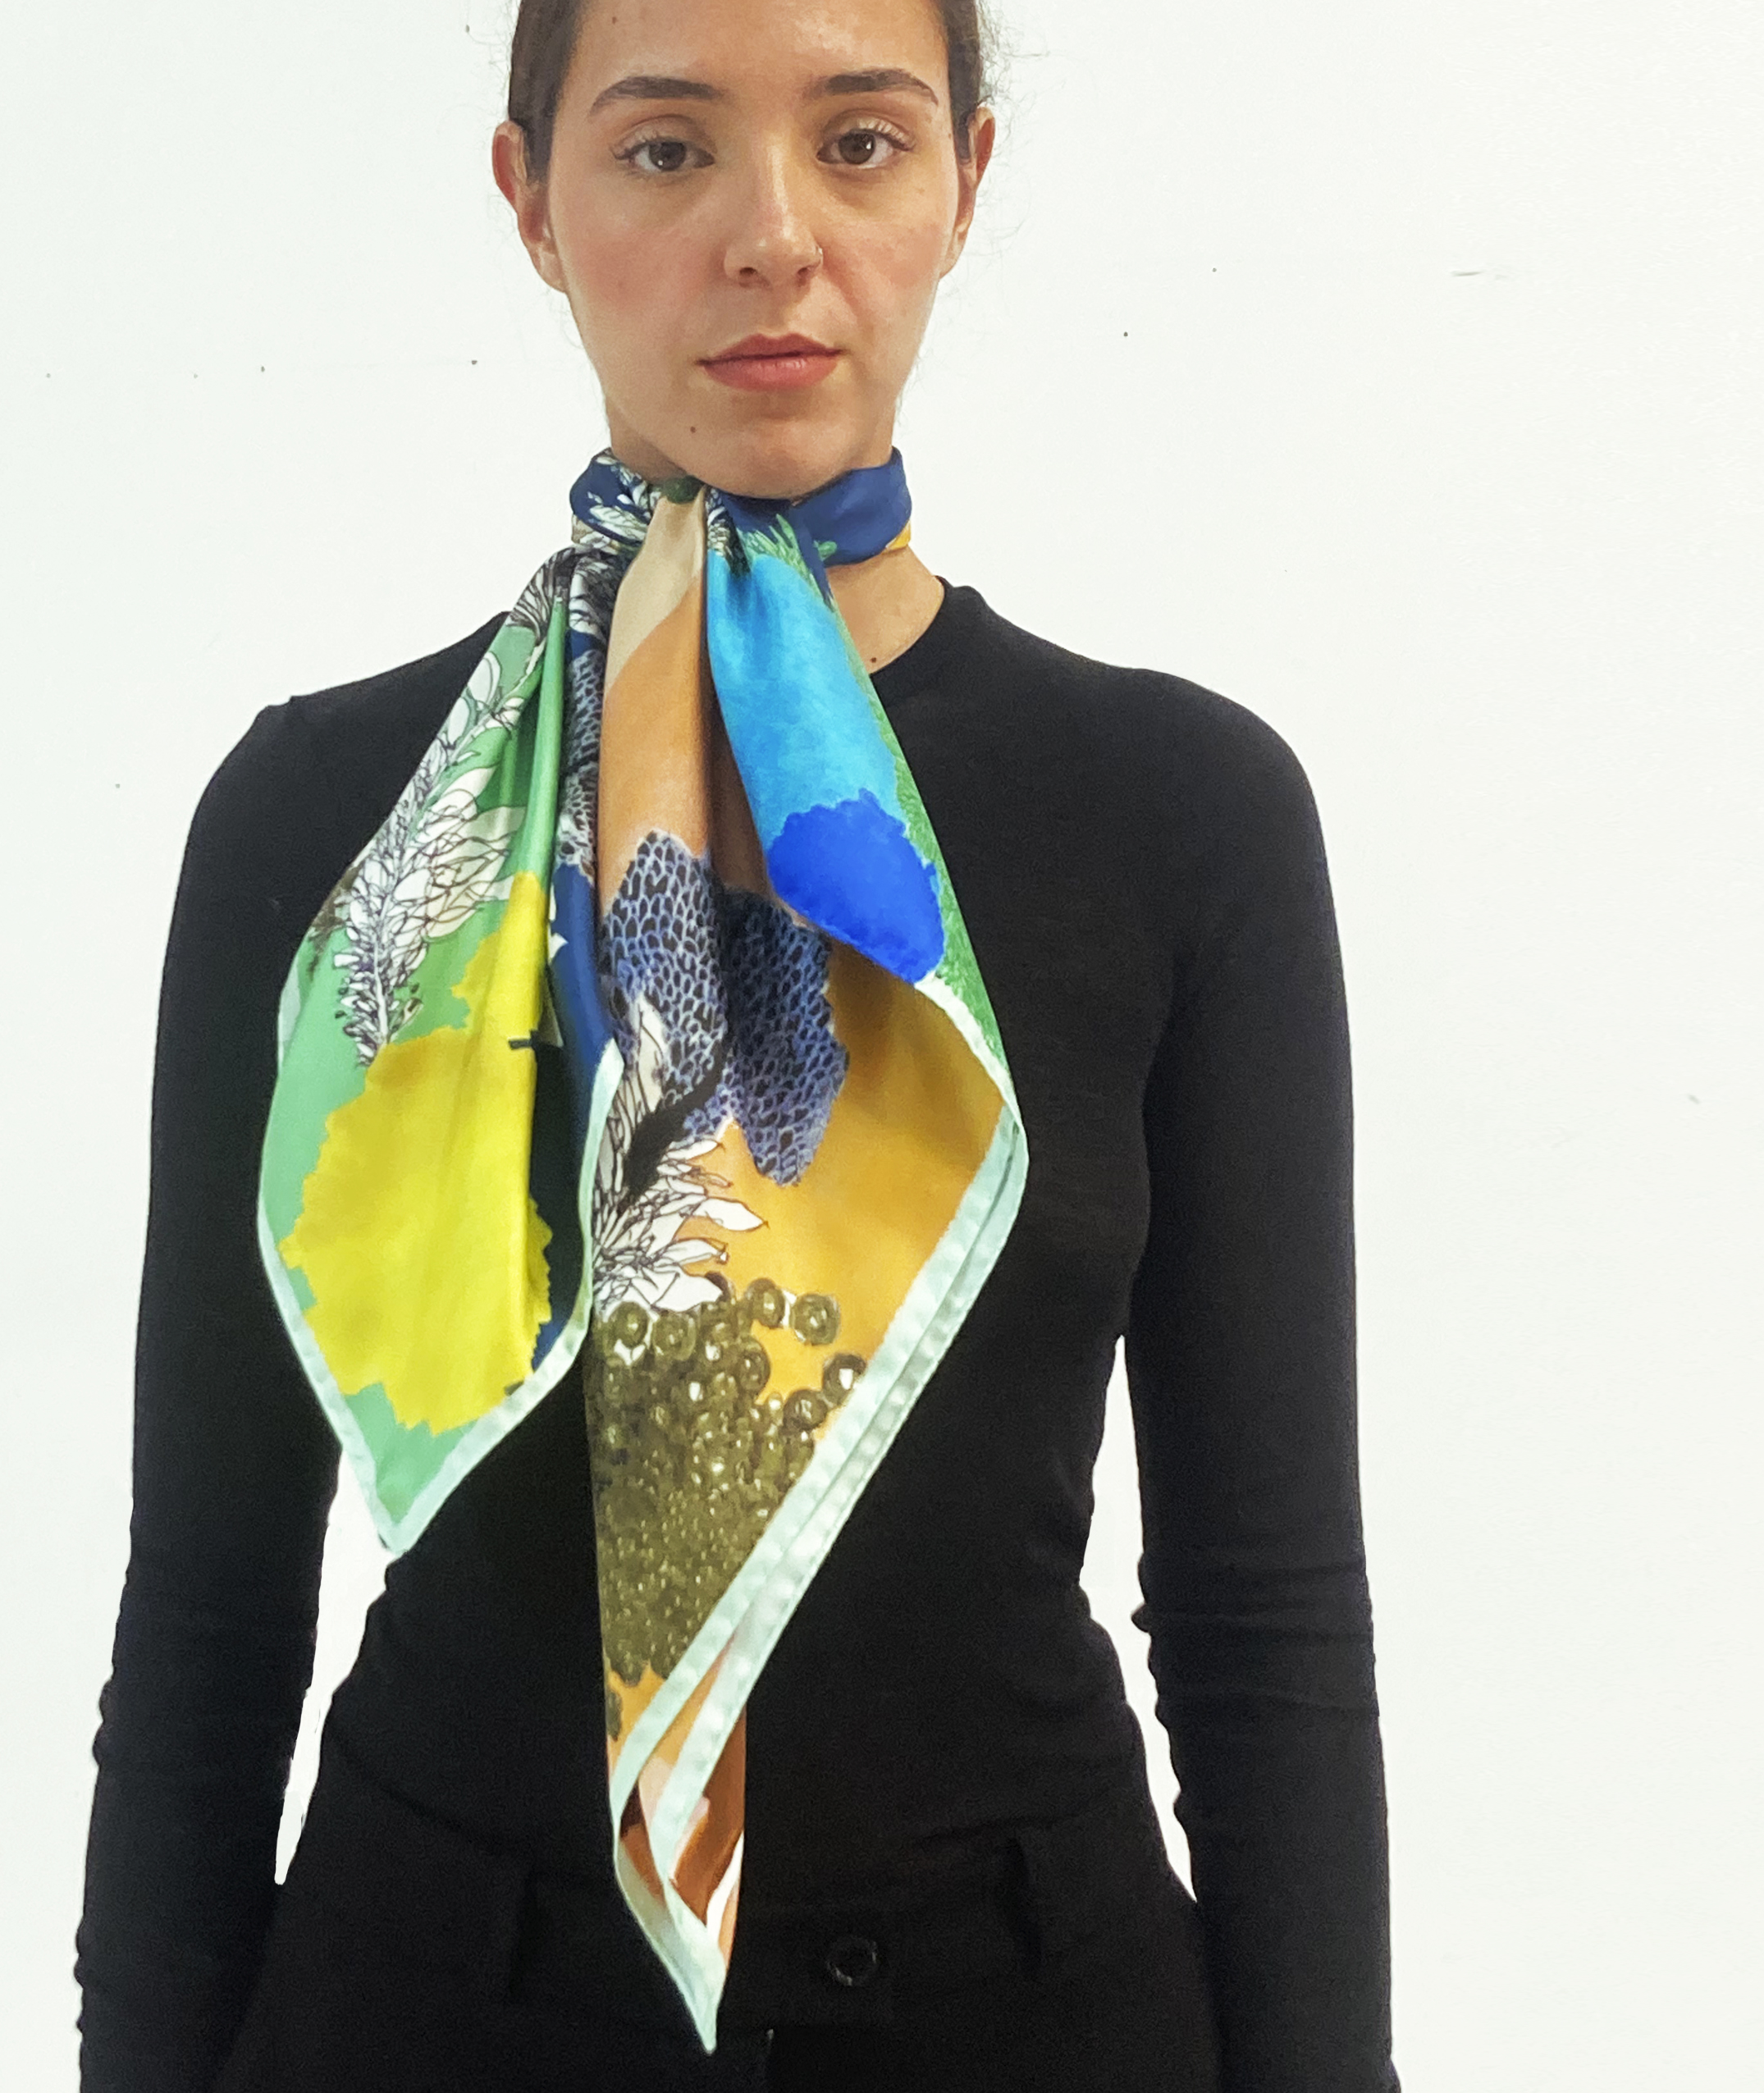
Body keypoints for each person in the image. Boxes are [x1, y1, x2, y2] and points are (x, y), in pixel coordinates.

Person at [75, 1, 1398, 2087]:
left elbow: (1261, 1604)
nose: (774, 235)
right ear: (530, 199)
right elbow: (210, 1602)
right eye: (667, 148)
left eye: (859, 142)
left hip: (1029, 2012)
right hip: (426, 2007)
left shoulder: (1181, 815)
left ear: (966, 178)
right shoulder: (334, 821)